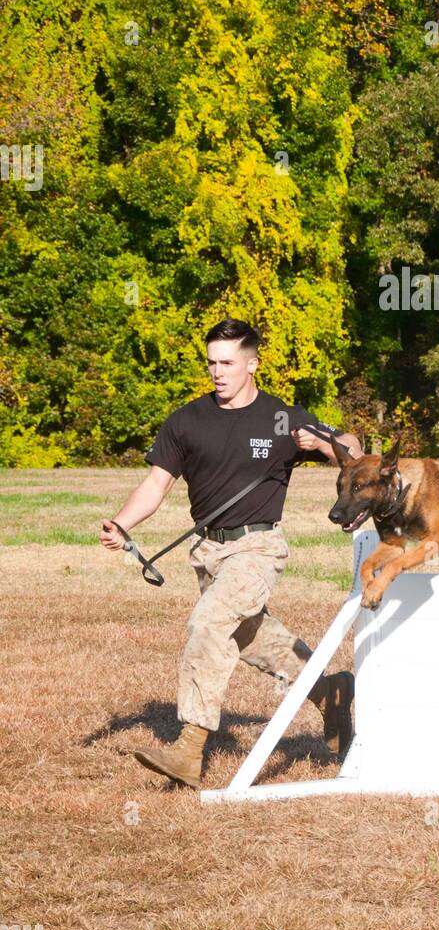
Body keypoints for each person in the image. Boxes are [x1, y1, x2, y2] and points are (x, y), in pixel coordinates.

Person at [99, 318, 363, 789]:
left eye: (227, 362)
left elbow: (353, 449)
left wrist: (323, 443)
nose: (217, 372)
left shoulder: (282, 417)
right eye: (211, 363)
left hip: (258, 547)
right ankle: (330, 692)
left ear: (252, 363)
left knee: (208, 624)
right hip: (208, 552)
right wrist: (122, 524)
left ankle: (189, 748)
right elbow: (156, 483)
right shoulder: (187, 420)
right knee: (253, 638)